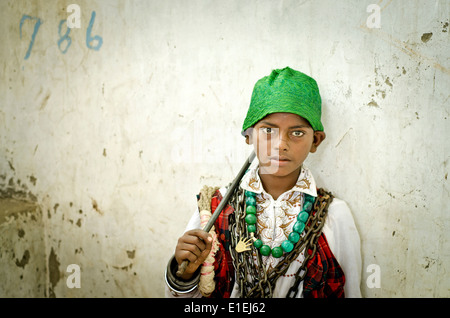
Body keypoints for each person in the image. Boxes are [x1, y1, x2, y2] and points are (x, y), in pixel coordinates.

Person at [165, 67, 362, 298]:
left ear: (315, 140)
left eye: (297, 133)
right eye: (268, 130)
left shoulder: (334, 217)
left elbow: (351, 293)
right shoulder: (213, 210)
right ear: (249, 135)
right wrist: (184, 275)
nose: (281, 144)